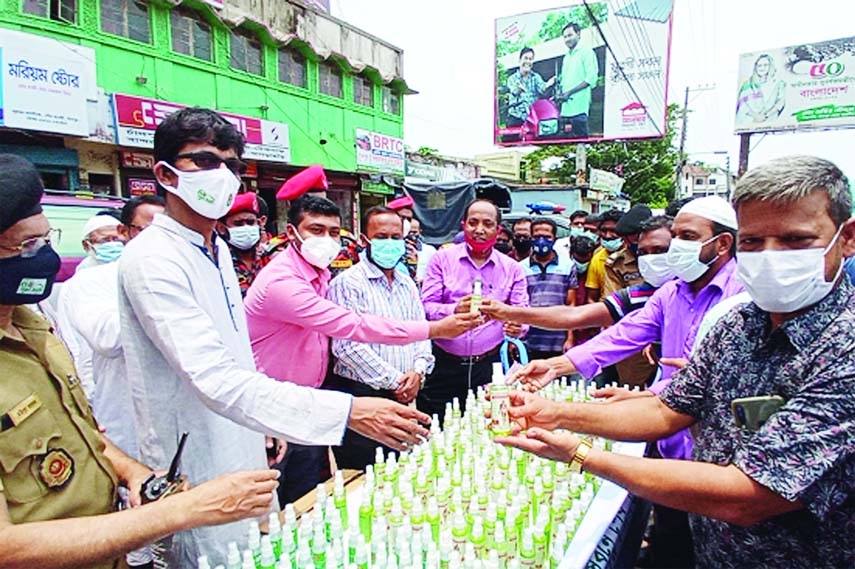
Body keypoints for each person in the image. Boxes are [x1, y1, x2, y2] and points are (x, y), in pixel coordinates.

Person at [499, 155, 855, 568]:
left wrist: (581, 455)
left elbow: (749, 496)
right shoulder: (737, 324)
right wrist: (553, 412)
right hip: (709, 547)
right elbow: (668, 409)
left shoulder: (844, 348)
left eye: (794, 240)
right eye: (754, 242)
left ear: (846, 238)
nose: (770, 256)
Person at [117, 107, 434, 566]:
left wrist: (265, 425)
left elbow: (239, 354)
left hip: (244, 435)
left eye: (231, 166)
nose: (221, 176)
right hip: (194, 453)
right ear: (165, 173)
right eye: (204, 162)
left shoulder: (215, 250)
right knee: (208, 554)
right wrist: (350, 410)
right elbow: (214, 377)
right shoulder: (154, 259)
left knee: (254, 547)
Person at [0, 154, 280, 569]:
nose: (43, 257)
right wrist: (188, 509)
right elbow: (7, 547)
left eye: (46, 240)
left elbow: (79, 434)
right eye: (26, 247)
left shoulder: (32, 326)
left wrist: (132, 472)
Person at [244, 194, 477, 503]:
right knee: (292, 499)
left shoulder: (325, 275)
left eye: (333, 232)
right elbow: (352, 330)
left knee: (361, 484)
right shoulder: (287, 282)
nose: (326, 240)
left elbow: (415, 331)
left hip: (315, 401)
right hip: (283, 403)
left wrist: (418, 371)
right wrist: (435, 331)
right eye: (316, 230)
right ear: (291, 234)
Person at [60, 195, 164, 568]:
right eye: (148, 230)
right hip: (122, 413)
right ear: (126, 233)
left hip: (173, 414)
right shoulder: (88, 284)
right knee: (137, 520)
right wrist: (161, 302)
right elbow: (107, 337)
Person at [482, 215, 674, 369]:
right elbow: (577, 316)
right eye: (643, 252)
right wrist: (554, 366)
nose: (651, 259)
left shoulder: (700, 297)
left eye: (659, 250)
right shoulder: (642, 296)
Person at [327, 207, 435, 469]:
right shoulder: (347, 283)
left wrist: (418, 372)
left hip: (405, 391)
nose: (390, 244)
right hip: (364, 395)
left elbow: (421, 330)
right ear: (365, 240)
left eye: (396, 238)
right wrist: (397, 381)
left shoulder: (406, 282)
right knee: (365, 472)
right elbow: (347, 347)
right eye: (381, 237)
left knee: (402, 468)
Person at [419, 199, 529, 421]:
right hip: (443, 363)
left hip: (489, 365)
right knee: (436, 428)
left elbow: (522, 314)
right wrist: (453, 310)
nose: (479, 230)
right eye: (473, 222)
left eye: (487, 224)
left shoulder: (513, 269)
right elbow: (425, 307)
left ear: (498, 230)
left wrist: (517, 326)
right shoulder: (442, 259)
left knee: (488, 426)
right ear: (463, 225)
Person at [521, 217, 577, 359]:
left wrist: (570, 338)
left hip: (558, 340)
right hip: (529, 340)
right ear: (531, 238)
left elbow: (571, 304)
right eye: (537, 236)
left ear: (555, 239)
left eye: (547, 237)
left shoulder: (567, 266)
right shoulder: (520, 268)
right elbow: (518, 304)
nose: (541, 241)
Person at [217, 192, 272, 297]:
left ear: (259, 223)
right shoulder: (220, 261)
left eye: (251, 222)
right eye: (238, 223)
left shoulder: (271, 258)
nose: (246, 227)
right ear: (222, 228)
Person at [554, 22, 598, 138]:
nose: (567, 39)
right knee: (565, 149)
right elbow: (563, 82)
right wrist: (560, 94)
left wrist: (569, 92)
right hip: (565, 111)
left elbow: (591, 78)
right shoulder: (566, 57)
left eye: (570, 35)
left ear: (578, 34)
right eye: (565, 37)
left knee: (581, 145)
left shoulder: (586, 52)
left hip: (579, 109)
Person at [506, 47, 555, 126]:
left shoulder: (536, 77)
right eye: (525, 58)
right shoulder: (512, 78)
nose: (528, 61)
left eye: (530, 59)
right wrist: (519, 89)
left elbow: (543, 89)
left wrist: (549, 84)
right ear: (519, 60)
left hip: (533, 118)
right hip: (516, 118)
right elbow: (514, 91)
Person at [585, 209, 624, 303]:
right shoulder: (597, 258)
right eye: (604, 230)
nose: (608, 236)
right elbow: (591, 297)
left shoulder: (636, 255)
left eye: (613, 231)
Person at [736, 53, 786, 125]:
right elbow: (742, 104)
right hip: (749, 122)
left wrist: (766, 116)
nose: (762, 68)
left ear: (770, 66)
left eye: (765, 65)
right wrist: (755, 116)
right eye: (759, 65)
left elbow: (780, 103)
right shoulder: (748, 84)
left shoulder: (779, 83)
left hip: (770, 121)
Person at [408, 216, 437, 284]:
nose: (411, 235)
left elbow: (436, 272)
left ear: (420, 231)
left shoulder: (430, 251)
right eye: (409, 232)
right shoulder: (399, 251)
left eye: (414, 232)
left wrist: (425, 280)